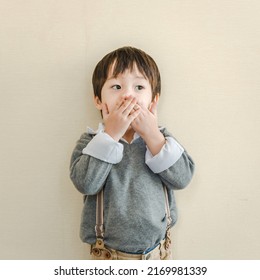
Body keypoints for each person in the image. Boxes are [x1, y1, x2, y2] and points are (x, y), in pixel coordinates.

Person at [70, 46, 195, 260]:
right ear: (99, 100)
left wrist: (152, 135)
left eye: (139, 87)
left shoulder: (161, 140)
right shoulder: (91, 142)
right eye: (117, 86)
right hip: (107, 255)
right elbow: (85, 183)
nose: (128, 95)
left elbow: (182, 178)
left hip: (159, 253)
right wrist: (111, 134)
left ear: (153, 101)